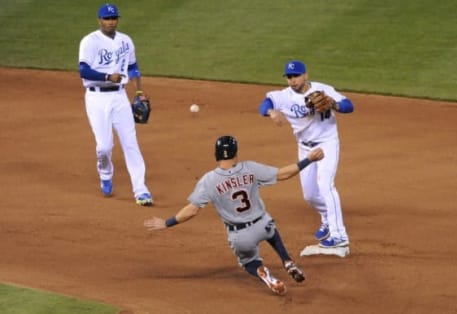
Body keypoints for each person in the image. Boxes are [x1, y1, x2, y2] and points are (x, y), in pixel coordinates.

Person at [144, 136, 324, 295]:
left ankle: (265, 274)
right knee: (271, 229)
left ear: (216, 154)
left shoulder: (209, 180)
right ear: (235, 153)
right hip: (262, 224)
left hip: (240, 236)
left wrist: (167, 223)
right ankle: (287, 261)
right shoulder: (250, 168)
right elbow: (283, 174)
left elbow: (192, 209)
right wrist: (309, 159)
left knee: (249, 263)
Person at [258, 60, 354, 251]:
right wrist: (271, 112)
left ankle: (339, 235)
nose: (292, 80)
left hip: (327, 143)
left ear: (305, 75)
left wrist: (334, 104)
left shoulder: (322, 89)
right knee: (310, 195)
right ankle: (328, 217)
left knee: (326, 185)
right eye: (289, 77)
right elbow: (265, 103)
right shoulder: (283, 96)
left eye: (296, 76)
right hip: (305, 148)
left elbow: (349, 106)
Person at [78, 3, 153, 206]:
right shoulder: (90, 41)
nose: (111, 22)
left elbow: (133, 67)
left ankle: (141, 190)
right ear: (99, 20)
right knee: (104, 147)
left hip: (119, 97)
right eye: (106, 18)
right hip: (96, 98)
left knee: (131, 143)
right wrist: (106, 76)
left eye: (113, 18)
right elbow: (83, 70)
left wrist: (138, 91)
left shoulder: (125, 41)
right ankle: (105, 173)